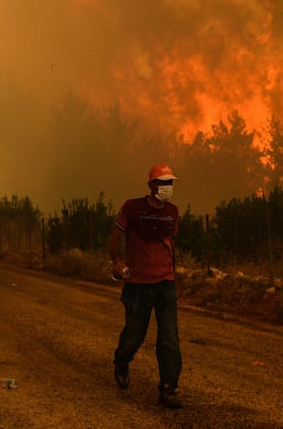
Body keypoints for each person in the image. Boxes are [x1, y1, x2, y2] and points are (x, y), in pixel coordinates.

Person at [108, 163, 183, 409]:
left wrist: (172, 271)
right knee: (134, 336)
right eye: (162, 183)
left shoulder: (173, 212)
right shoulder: (132, 208)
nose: (167, 188)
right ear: (151, 185)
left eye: (170, 183)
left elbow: (169, 244)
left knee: (169, 338)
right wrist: (117, 262)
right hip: (138, 284)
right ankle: (121, 360)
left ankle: (169, 388)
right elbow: (115, 238)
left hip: (165, 283)